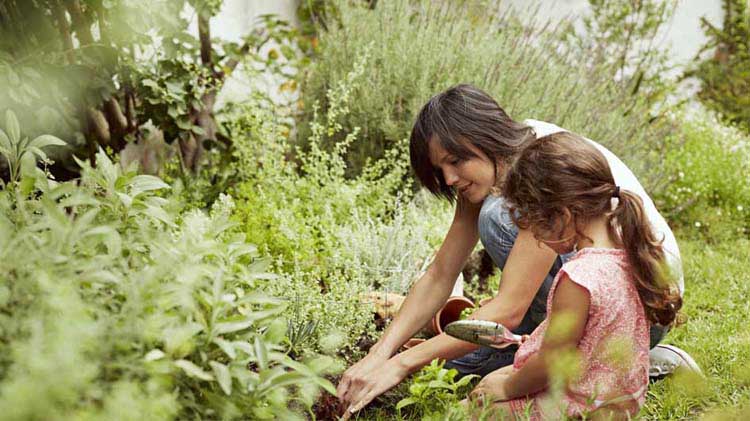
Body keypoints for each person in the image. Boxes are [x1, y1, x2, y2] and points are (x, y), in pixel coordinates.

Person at [336, 84, 693, 418]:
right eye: (439, 169)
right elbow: (440, 274)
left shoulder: (540, 169)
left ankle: (623, 355)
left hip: (640, 311)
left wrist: (401, 364)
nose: (447, 179)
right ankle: (608, 361)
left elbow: (508, 310)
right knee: (454, 362)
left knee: (494, 220)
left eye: (455, 161)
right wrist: (378, 355)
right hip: (621, 304)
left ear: (484, 139)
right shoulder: (496, 163)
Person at [465, 130, 682, 419]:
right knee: (501, 376)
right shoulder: (629, 252)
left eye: (538, 227)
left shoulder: (579, 278)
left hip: (582, 405)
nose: (539, 241)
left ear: (563, 216)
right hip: (620, 399)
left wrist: (506, 389)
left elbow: (551, 362)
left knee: (471, 409)